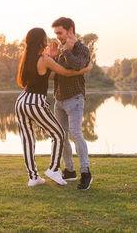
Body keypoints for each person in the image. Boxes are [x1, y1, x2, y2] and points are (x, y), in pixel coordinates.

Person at [15, 27, 93, 187]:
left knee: (28, 140)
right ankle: (54, 169)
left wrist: (52, 58)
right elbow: (65, 72)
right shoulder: (44, 59)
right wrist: (87, 68)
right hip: (34, 102)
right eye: (45, 36)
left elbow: (48, 76)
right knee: (58, 134)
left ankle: (33, 177)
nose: (48, 38)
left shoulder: (28, 59)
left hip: (21, 101)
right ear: (40, 40)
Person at [49, 17, 93, 190]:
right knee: (61, 136)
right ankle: (69, 170)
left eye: (60, 32)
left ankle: (86, 173)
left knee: (75, 134)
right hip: (59, 100)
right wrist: (52, 58)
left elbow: (76, 67)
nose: (58, 36)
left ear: (70, 30)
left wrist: (66, 51)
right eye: (56, 33)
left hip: (74, 98)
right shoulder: (61, 49)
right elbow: (57, 73)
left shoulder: (81, 49)